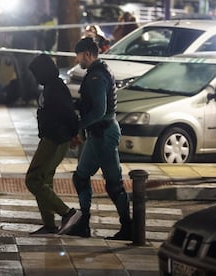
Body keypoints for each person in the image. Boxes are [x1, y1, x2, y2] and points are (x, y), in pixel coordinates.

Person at [68, 37, 132, 240]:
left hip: (103, 134)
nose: (77, 60)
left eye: (79, 56)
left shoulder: (96, 76)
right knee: (81, 177)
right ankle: (84, 223)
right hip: (98, 134)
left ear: (87, 54)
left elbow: (98, 110)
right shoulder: (99, 71)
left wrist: (79, 126)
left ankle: (128, 227)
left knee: (114, 184)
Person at [26, 54, 82, 235]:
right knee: (44, 180)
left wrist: (74, 134)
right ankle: (49, 224)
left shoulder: (55, 88)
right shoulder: (50, 86)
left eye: (37, 73)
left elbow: (68, 113)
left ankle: (67, 212)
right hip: (51, 137)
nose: (36, 77)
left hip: (55, 139)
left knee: (33, 180)